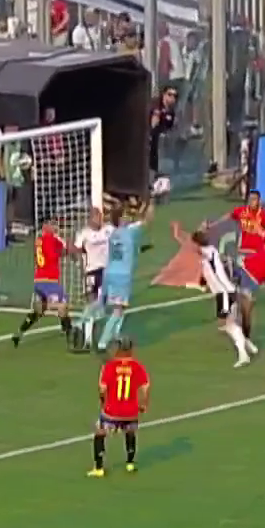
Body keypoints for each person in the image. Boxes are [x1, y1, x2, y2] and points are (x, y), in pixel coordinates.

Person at [178, 222, 255, 367]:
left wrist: (179, 233)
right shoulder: (210, 251)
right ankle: (247, 345)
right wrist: (200, 228)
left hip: (224, 293)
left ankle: (244, 354)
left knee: (230, 325)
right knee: (228, 324)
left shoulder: (207, 251)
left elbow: (191, 245)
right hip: (227, 292)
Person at [94, 198, 152, 353]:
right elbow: (146, 220)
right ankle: (103, 342)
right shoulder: (130, 232)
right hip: (122, 276)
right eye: (126, 215)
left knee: (119, 308)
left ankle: (116, 335)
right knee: (118, 310)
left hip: (110, 272)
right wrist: (151, 201)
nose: (129, 217)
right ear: (120, 218)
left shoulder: (113, 234)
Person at [92, 338, 149, 477]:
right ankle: (130, 464)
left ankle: (99, 468)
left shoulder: (110, 366)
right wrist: (143, 404)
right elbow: (145, 387)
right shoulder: (137, 366)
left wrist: (102, 401)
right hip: (130, 412)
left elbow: (102, 389)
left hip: (112, 411)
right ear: (131, 349)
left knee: (99, 433)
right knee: (130, 433)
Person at [15, 219, 74, 346]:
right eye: (53, 225)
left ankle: (20, 331)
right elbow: (63, 251)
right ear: (46, 227)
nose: (56, 227)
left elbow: (46, 256)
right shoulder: (52, 239)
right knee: (62, 306)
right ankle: (71, 335)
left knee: (39, 309)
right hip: (49, 281)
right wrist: (67, 246)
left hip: (38, 280)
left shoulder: (38, 241)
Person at [229, 191, 265, 308]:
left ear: (259, 201)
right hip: (245, 250)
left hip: (259, 252)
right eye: (250, 198)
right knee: (239, 276)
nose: (252, 201)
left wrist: (262, 233)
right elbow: (230, 215)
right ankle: (235, 301)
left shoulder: (263, 215)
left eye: (255, 199)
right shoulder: (242, 211)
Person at [72, 207, 114, 349]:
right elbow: (75, 249)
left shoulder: (108, 230)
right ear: (90, 218)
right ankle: (88, 340)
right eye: (96, 217)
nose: (99, 219)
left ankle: (83, 326)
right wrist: (79, 263)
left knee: (101, 305)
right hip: (91, 271)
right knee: (91, 302)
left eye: (100, 216)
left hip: (106, 271)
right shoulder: (84, 234)